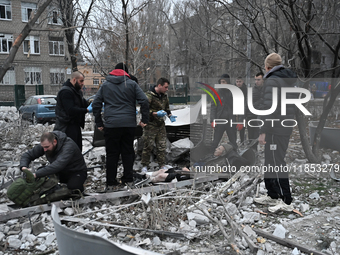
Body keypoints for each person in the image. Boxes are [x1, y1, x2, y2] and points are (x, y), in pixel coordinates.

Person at [92, 63, 149, 192]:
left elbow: (96, 103)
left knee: (112, 154)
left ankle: (111, 183)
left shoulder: (105, 85)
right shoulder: (132, 84)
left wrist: (99, 123)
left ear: (113, 71)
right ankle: (128, 180)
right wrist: (144, 119)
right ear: (126, 73)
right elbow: (144, 100)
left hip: (111, 125)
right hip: (128, 124)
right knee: (128, 152)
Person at [254, 53, 297, 213]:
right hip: (282, 127)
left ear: (267, 67)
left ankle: (286, 200)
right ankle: (272, 194)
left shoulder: (272, 80)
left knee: (277, 161)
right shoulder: (285, 80)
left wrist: (263, 131)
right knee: (271, 161)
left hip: (275, 129)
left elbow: (268, 108)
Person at [19, 131, 87, 192]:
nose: (45, 150)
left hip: (76, 171)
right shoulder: (46, 144)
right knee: (41, 179)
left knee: (74, 187)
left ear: (55, 142)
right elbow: (28, 155)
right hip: (59, 172)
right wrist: (24, 167)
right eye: (43, 147)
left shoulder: (68, 146)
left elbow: (57, 165)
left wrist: (35, 174)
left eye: (47, 147)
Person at [141, 78, 177, 172]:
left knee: (161, 146)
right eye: (165, 87)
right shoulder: (149, 96)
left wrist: (170, 116)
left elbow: (167, 108)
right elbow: (144, 110)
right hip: (150, 125)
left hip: (160, 125)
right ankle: (145, 165)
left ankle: (162, 165)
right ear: (159, 85)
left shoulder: (164, 96)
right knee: (148, 146)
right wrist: (155, 113)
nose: (167, 89)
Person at [54, 71, 89, 151]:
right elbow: (70, 109)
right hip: (66, 126)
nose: (83, 83)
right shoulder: (66, 92)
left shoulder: (76, 91)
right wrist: (86, 110)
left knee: (77, 149)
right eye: (81, 81)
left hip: (74, 124)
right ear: (74, 80)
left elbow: (82, 103)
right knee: (70, 150)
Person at [210, 74, 238, 149]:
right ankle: (211, 155)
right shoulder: (217, 92)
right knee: (215, 141)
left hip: (230, 120)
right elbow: (213, 107)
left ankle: (235, 156)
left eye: (224, 82)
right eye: (221, 82)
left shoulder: (233, 92)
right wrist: (212, 120)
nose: (222, 84)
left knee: (233, 141)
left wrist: (239, 120)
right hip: (220, 120)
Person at [247, 72, 264, 151]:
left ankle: (254, 151)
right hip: (251, 115)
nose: (256, 81)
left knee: (257, 134)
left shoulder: (266, 90)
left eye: (259, 80)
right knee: (251, 136)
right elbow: (249, 104)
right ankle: (252, 152)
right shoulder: (252, 90)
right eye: (255, 80)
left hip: (261, 116)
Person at [235, 77, 247, 143]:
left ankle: (242, 141)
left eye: (240, 81)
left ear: (243, 81)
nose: (238, 83)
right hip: (235, 110)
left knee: (242, 128)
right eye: (237, 82)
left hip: (243, 110)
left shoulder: (245, 90)